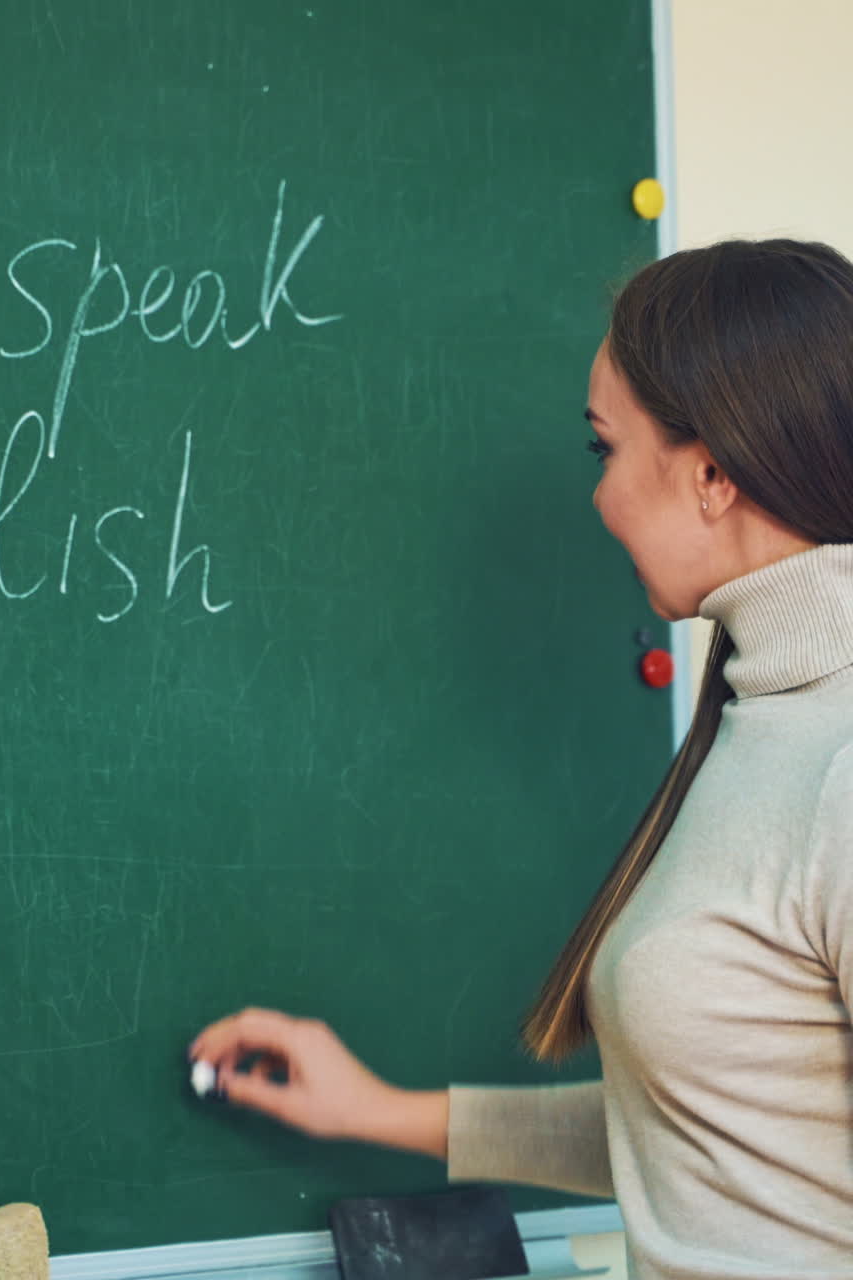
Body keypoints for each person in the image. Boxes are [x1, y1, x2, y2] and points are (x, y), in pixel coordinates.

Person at [189, 239, 853, 1279]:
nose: (595, 498)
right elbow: (705, 1136)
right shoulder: (756, 719)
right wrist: (380, 1109)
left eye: (604, 449)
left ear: (711, 474)